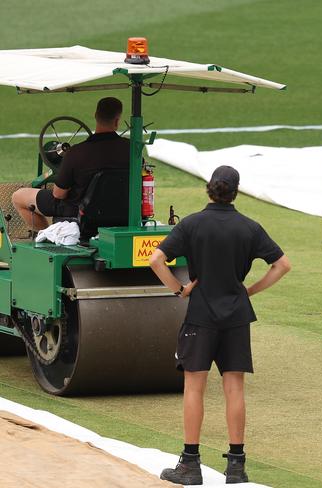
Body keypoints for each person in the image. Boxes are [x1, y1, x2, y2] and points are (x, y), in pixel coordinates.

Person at [150, 165, 291, 485]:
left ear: (209, 189)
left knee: (194, 388)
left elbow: (155, 260)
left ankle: (190, 464)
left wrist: (179, 289)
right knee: (234, 388)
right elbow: (282, 265)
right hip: (237, 317)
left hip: (200, 315)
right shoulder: (249, 227)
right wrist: (249, 290)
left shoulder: (191, 225)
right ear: (235, 192)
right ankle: (236, 466)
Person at [11, 97, 129, 231]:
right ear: (117, 120)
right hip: (120, 210)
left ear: (96, 116)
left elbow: (58, 194)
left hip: (78, 211)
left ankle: (46, 235)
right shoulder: (131, 150)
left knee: (18, 196)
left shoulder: (76, 152)